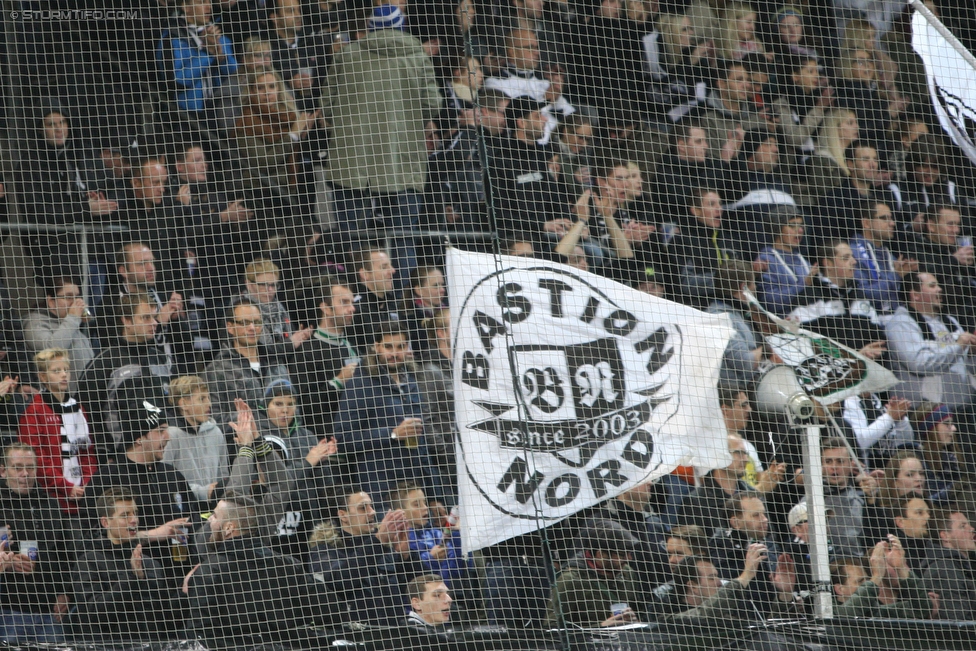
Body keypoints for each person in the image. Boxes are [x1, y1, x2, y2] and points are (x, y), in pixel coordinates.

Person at [322, 3, 441, 273]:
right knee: (402, 241)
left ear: (370, 26)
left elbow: (327, 106)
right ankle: (399, 308)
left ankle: (360, 305)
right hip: (403, 162)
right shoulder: (417, 55)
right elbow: (433, 104)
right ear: (401, 26)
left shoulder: (347, 56)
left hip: (352, 163)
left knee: (354, 242)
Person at [186, 494, 330, 650]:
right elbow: (330, 609)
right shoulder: (289, 565)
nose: (209, 520)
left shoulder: (208, 572)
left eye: (214, 516)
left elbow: (201, 638)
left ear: (229, 527)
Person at [334, 321, 434, 508]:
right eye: (388, 346)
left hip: (415, 488)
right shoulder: (360, 384)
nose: (394, 354)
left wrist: (433, 495)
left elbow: (422, 442)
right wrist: (392, 434)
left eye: (400, 347)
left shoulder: (413, 380)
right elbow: (342, 439)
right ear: (376, 346)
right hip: (380, 492)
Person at [70, 487, 180, 642]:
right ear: (105, 522)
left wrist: (184, 592)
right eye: (125, 515)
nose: (133, 520)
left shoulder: (150, 563)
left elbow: (164, 616)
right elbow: (93, 613)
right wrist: (132, 577)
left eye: (134, 513)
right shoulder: (88, 562)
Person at [307, 488, 420, 625]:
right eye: (363, 508)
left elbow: (418, 590)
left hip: (396, 634)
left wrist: (406, 557)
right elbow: (339, 580)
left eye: (371, 506)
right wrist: (377, 542)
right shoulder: (323, 550)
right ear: (343, 515)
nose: (372, 512)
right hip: (356, 637)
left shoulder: (385, 547)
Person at [78, 292, 173, 455]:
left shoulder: (162, 359)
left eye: (154, 317)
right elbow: (86, 414)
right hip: (120, 459)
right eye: (146, 318)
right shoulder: (103, 363)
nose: (154, 323)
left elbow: (171, 406)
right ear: (126, 321)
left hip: (163, 454)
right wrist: (105, 454)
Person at [0, 443, 73, 644]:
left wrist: (66, 592)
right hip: (8, 610)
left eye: (30, 467)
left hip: (50, 610)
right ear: (3, 471)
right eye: (18, 467)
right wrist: (7, 562)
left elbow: (65, 552)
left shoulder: (50, 503)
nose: (25, 473)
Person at [202, 297, 310, 426]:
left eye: (257, 322)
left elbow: (295, 411)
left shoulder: (276, 363)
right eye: (244, 322)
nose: (252, 328)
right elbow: (213, 419)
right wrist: (260, 419)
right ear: (230, 327)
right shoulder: (216, 370)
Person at [18, 348, 95, 516]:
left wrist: (88, 483)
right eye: (56, 371)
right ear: (43, 376)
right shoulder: (34, 412)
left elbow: (87, 452)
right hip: (52, 498)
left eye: (66, 370)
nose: (64, 375)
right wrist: (66, 487)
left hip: (83, 493)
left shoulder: (78, 408)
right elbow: (36, 458)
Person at [885, 272, 976, 408]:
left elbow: (963, 361)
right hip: (927, 414)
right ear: (915, 294)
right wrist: (959, 346)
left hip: (963, 405)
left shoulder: (949, 321)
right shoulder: (901, 324)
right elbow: (919, 363)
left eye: (938, 285)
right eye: (932, 286)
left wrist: (971, 352)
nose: (939, 289)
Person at [787, 238, 887, 356]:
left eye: (852, 257)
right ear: (828, 264)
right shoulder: (808, 298)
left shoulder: (860, 296)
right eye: (845, 258)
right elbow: (803, 350)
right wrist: (857, 358)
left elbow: (880, 343)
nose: (854, 261)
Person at [290, 277, 360, 436]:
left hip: (356, 438)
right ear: (326, 308)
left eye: (352, 302)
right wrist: (338, 382)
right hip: (322, 441)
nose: (352, 309)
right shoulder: (306, 351)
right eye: (344, 302)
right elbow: (302, 405)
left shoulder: (351, 347)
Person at [546, 518, 644, 628]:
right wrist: (600, 626)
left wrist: (634, 619)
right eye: (622, 554)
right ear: (600, 554)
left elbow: (639, 610)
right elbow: (551, 627)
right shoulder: (570, 581)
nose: (629, 558)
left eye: (629, 553)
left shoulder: (628, 573)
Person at [162, 375, 228, 504]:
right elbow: (165, 481)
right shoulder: (170, 435)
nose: (209, 403)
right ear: (184, 403)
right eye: (202, 399)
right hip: (185, 510)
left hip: (216, 507)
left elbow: (223, 474)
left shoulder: (216, 432)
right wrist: (202, 492)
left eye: (208, 398)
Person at [23, 275, 94, 394]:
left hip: (85, 397)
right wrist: (73, 318)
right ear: (51, 302)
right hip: (56, 401)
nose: (75, 303)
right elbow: (52, 349)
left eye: (77, 297)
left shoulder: (69, 323)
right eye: (68, 297)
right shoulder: (35, 323)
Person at [835, 535, 932, 618]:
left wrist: (900, 567)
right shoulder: (830, 613)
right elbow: (845, 616)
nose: (866, 585)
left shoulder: (875, 612)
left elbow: (921, 609)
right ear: (840, 589)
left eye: (867, 580)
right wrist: (877, 576)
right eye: (860, 581)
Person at [850, 201, 917, 316]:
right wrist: (896, 275)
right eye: (884, 218)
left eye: (891, 218)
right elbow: (861, 294)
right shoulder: (853, 254)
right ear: (866, 223)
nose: (892, 223)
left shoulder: (889, 255)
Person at [819, 437, 882, 557]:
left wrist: (872, 498)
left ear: (851, 465)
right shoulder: (809, 502)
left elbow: (877, 539)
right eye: (828, 461)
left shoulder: (862, 502)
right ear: (821, 465)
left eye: (840, 461)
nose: (834, 467)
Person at [756, 210, 817, 316]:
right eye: (792, 226)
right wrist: (804, 284)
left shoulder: (804, 261)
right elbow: (769, 302)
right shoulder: (766, 260)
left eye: (801, 226)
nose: (800, 230)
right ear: (777, 229)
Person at [922, 508, 976, 620]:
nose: (971, 529)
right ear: (945, 536)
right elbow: (957, 620)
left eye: (969, 525)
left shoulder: (956, 565)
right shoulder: (944, 570)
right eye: (962, 526)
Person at [349, 245, 401, 355]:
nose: (392, 270)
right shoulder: (354, 309)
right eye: (384, 267)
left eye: (390, 266)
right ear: (365, 274)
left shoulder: (394, 305)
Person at [238, 258, 294, 346]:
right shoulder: (240, 310)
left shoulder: (279, 308)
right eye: (263, 285)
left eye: (274, 285)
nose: (270, 290)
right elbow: (262, 349)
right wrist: (292, 343)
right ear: (248, 284)